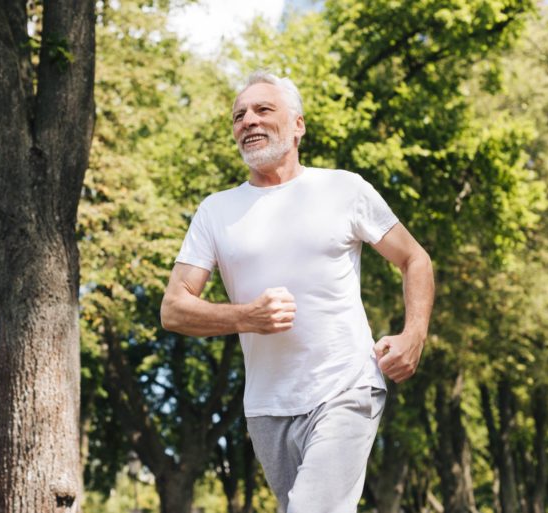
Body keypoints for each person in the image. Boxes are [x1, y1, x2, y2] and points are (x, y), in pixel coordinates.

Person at [160, 70, 434, 513]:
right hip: (267, 407)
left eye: (263, 109)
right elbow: (174, 309)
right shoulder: (216, 211)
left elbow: (414, 259)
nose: (247, 120)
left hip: (346, 387)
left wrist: (414, 334)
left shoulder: (343, 189)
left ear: (298, 124)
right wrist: (245, 317)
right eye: (238, 115)